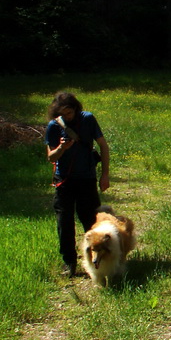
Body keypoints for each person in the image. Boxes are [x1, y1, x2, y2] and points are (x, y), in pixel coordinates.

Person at [45, 92, 110, 276]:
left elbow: (103, 146)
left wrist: (104, 175)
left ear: (76, 108)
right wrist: (61, 148)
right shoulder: (54, 126)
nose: (66, 117)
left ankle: (97, 259)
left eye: (69, 113)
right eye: (62, 114)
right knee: (64, 222)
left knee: (91, 221)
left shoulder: (88, 119)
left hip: (87, 179)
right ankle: (69, 262)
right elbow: (51, 157)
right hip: (64, 181)